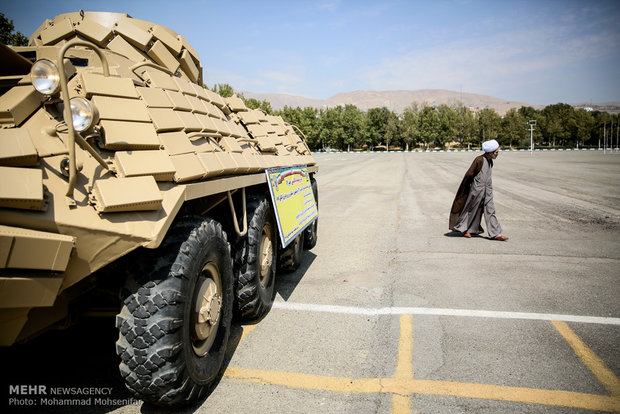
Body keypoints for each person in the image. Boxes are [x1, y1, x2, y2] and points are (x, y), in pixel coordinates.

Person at [449, 139, 508, 241]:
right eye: (496, 152)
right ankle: (466, 230)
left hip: (488, 191)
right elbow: (469, 174)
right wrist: (466, 189)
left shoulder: (490, 161)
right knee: (472, 210)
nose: (497, 154)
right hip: (477, 190)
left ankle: (496, 234)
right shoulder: (479, 160)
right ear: (490, 152)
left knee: (490, 210)